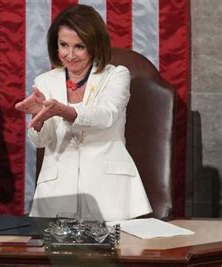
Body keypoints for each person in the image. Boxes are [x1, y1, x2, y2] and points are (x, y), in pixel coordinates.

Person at [15, 4, 152, 221]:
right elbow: (41, 141)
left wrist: (66, 111)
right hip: (57, 193)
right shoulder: (44, 81)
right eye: (63, 45)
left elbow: (106, 114)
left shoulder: (116, 75)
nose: (70, 55)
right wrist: (37, 119)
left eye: (79, 46)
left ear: (95, 45)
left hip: (110, 192)